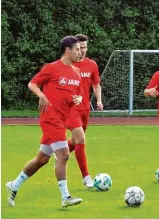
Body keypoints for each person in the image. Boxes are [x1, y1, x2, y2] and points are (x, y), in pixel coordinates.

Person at [5, 36, 84, 208]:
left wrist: (76, 99)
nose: (81, 52)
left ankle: (14, 185)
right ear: (67, 50)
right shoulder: (52, 68)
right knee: (63, 155)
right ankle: (65, 197)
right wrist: (41, 95)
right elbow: (32, 84)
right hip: (50, 118)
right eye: (77, 49)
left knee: (42, 159)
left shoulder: (77, 73)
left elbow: (74, 95)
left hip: (62, 120)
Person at [63, 34, 103, 189]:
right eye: (80, 48)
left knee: (75, 141)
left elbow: (96, 85)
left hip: (85, 109)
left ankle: (60, 152)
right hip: (71, 109)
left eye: (85, 47)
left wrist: (98, 100)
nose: (83, 51)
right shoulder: (67, 65)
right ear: (74, 49)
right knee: (80, 140)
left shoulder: (92, 65)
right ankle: (86, 177)